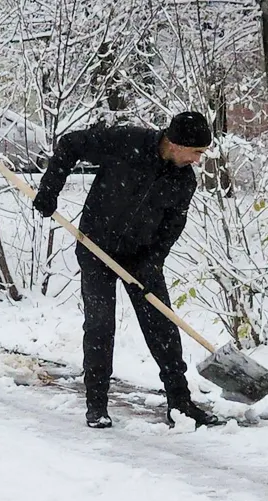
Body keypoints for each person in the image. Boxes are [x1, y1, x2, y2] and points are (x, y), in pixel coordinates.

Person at [33, 112, 221, 429]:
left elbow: (170, 230)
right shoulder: (126, 142)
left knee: (162, 326)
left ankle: (180, 405)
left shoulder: (184, 180)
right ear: (176, 144)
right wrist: (51, 189)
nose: (198, 160)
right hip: (96, 247)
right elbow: (71, 145)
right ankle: (97, 406)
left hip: (140, 256)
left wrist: (152, 262)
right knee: (100, 325)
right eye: (197, 152)